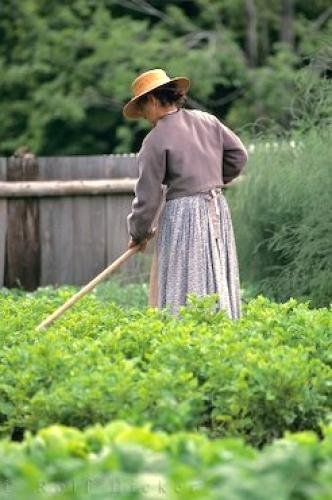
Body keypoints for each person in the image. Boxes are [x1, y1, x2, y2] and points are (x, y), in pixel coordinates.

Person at [123, 68, 248, 318]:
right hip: (216, 206)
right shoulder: (208, 121)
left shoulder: (155, 140)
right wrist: (210, 182)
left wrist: (138, 233)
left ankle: (189, 330)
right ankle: (220, 325)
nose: (145, 116)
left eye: (143, 107)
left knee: (188, 275)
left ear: (153, 99)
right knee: (213, 269)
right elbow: (238, 157)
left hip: (184, 217)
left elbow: (147, 198)